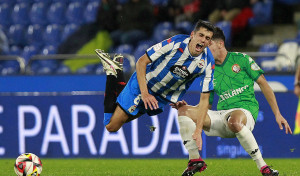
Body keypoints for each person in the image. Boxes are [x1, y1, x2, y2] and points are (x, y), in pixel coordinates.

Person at [171, 27, 292, 176]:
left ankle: (264, 168)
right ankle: (195, 160)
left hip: (244, 113)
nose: (205, 49)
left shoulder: (241, 59)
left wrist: (277, 114)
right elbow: (207, 104)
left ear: (220, 44)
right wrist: (190, 108)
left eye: (209, 45)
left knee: (234, 120)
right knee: (184, 112)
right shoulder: (209, 69)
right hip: (221, 116)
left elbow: (264, 85)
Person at [95, 20, 215, 150]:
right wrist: (145, 94)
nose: (203, 40)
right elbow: (141, 62)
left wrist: (198, 130)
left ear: (209, 43)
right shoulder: (175, 43)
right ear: (192, 35)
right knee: (111, 126)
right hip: (144, 86)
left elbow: (205, 99)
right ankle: (114, 72)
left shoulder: (208, 62)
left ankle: (116, 71)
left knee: (122, 119)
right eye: (201, 35)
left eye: (207, 38)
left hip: (160, 99)